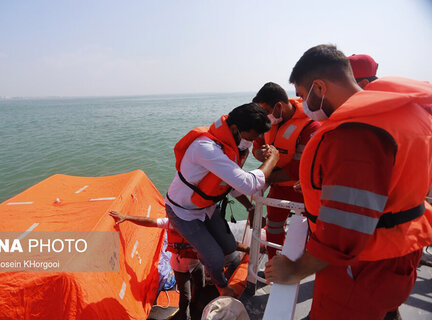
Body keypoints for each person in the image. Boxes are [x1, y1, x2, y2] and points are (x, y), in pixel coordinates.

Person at [265, 44, 432, 320]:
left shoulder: (354, 133)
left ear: (320, 88)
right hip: (401, 254)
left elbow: (343, 233)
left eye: (305, 95)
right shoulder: (407, 113)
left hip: (362, 267)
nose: (305, 106)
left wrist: (295, 270)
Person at [166, 103, 279, 298]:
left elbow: (228, 185)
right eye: (250, 138)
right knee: (215, 257)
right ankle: (220, 284)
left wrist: (250, 207)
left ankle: (209, 256)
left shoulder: (230, 146)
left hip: (207, 207)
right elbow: (248, 183)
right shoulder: (205, 148)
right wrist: (272, 159)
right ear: (235, 129)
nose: (250, 143)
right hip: (182, 211)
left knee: (228, 246)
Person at [109, 210, 258, 320]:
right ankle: (184, 316)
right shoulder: (171, 224)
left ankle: (195, 305)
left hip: (195, 264)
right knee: (185, 296)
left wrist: (248, 249)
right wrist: (127, 217)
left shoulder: (199, 228)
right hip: (180, 267)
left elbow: (223, 243)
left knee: (200, 284)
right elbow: (149, 221)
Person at [252, 82, 321, 258]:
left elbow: (298, 169)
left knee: (307, 231)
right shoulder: (267, 122)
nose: (264, 117)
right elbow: (256, 145)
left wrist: (265, 177)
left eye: (266, 111)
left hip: (304, 191)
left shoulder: (311, 126)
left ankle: (297, 264)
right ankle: (273, 263)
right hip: (278, 188)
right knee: (273, 226)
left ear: (279, 107)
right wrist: (259, 154)